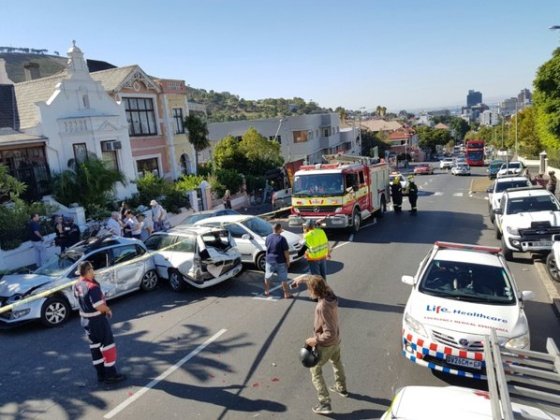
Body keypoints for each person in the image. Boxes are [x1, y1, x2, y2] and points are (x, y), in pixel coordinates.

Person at [291, 274, 347, 415]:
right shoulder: (330, 295)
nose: (309, 291)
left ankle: (325, 403)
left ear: (314, 290)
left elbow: (329, 333)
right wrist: (302, 280)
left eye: (309, 288)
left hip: (326, 344)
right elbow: (317, 280)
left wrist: (314, 340)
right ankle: (341, 388)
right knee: (337, 362)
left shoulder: (322, 306)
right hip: (336, 342)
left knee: (315, 371)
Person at [73, 261, 126, 384]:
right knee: (107, 346)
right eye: (91, 269)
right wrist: (107, 309)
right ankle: (111, 375)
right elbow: (98, 306)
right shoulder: (92, 287)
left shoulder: (77, 285)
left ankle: (101, 374)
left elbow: (80, 300)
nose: (93, 271)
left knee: (95, 347)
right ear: (88, 271)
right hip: (98, 321)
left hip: (86, 322)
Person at [264, 223, 292, 299]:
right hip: (280, 261)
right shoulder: (282, 239)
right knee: (283, 279)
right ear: (279, 229)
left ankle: (266, 291)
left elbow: (267, 246)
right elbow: (286, 252)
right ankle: (286, 294)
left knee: (267, 276)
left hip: (269, 261)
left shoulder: (268, 237)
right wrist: (288, 261)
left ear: (273, 229)